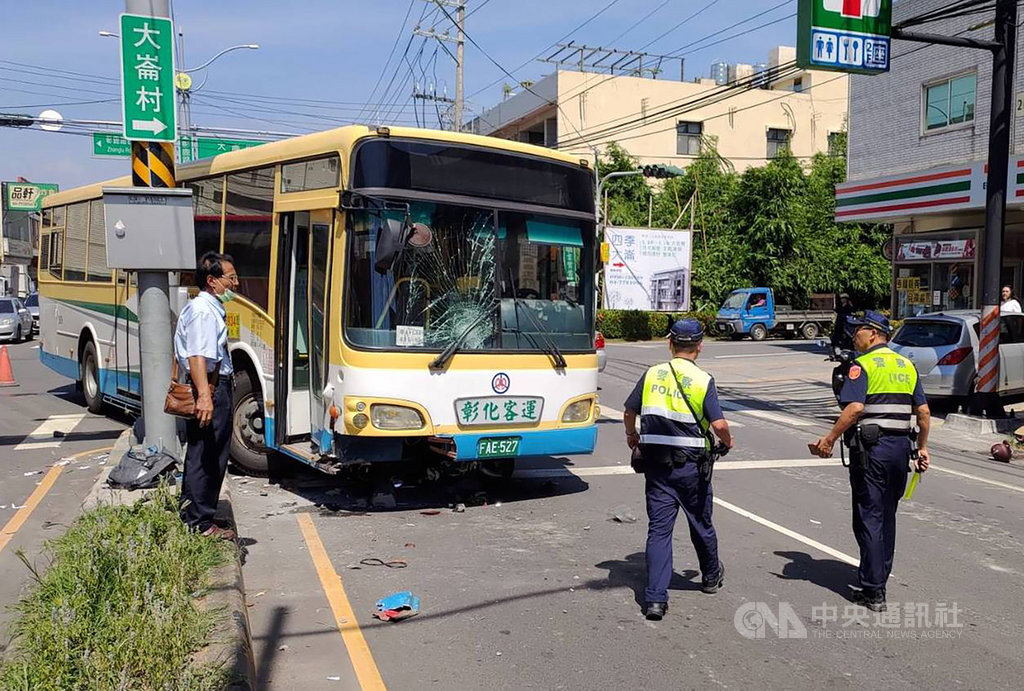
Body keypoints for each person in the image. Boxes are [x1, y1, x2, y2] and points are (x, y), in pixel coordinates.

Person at [809, 311, 931, 612]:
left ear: (874, 333)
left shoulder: (860, 366)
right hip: (901, 450)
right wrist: (924, 449)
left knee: (869, 516)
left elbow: (854, 408)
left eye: (858, 331)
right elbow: (924, 413)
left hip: (872, 451)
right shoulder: (907, 365)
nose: (854, 336)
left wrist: (829, 438)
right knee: (887, 515)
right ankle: (878, 578)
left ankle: (874, 590)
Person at [623, 319, 733, 621]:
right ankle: (710, 576)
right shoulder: (702, 379)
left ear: (670, 344)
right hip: (691, 469)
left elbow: (629, 411)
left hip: (656, 468)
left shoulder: (652, 374)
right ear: (700, 346)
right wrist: (728, 441)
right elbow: (719, 425)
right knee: (700, 522)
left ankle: (656, 600)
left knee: (659, 531)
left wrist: (632, 436)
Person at [174, 251, 239, 540]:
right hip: (211, 388)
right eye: (231, 278)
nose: (235, 284)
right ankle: (200, 523)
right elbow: (198, 356)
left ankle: (194, 514)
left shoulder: (204, 307)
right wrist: (205, 396)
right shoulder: (202, 311)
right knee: (209, 455)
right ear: (212, 281)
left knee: (202, 452)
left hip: (211, 386)